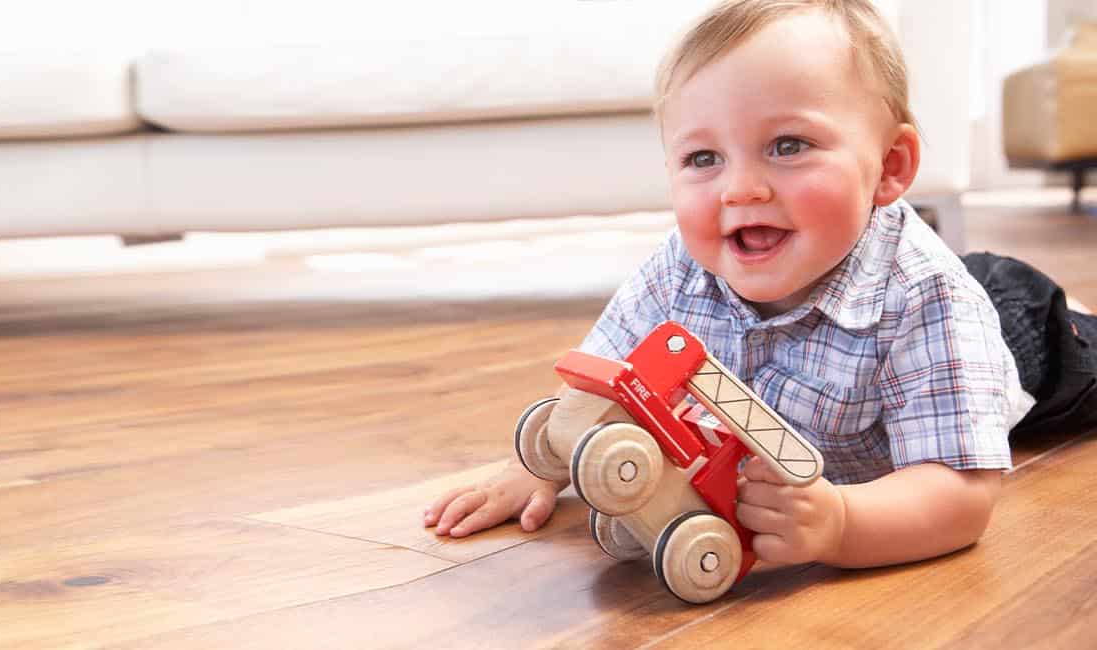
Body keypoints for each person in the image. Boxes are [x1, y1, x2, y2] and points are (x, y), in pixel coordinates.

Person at [422, 0, 1097, 569]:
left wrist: (841, 522)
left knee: (1061, 340)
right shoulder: (680, 267)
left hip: (1021, 333)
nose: (741, 188)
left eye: (788, 146)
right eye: (703, 157)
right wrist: (540, 462)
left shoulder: (932, 300)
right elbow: (601, 383)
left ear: (890, 167)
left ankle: (1073, 314)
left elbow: (961, 495)